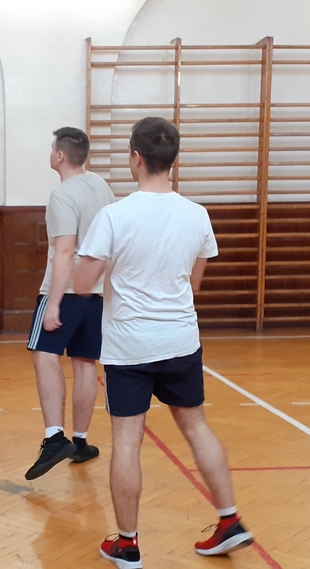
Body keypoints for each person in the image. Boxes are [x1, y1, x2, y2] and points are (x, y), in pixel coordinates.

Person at [73, 117, 254, 567]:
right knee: (196, 427)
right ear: (173, 159)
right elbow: (194, 284)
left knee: (127, 440)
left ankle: (128, 544)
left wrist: (94, 259)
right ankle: (229, 520)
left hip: (129, 348)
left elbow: (81, 285)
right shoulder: (197, 214)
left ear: (135, 157)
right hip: (180, 342)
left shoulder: (114, 215)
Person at [24, 127, 114, 481]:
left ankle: (54, 437)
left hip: (66, 289)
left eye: (52, 149)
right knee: (85, 362)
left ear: (60, 156)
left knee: (43, 354)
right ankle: (80, 441)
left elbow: (64, 252)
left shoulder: (61, 195)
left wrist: (54, 303)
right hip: (96, 290)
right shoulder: (102, 187)